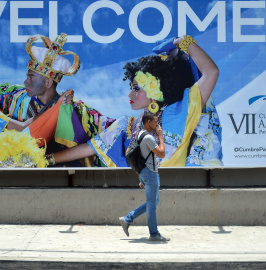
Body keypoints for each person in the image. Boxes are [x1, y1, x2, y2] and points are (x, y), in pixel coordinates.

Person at [50, 35, 222, 167]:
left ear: (155, 89)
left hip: (178, 194)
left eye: (136, 88)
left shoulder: (182, 109)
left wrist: (183, 41)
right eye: (131, 88)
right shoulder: (128, 126)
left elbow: (211, 72)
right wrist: (46, 160)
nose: (129, 95)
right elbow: (90, 148)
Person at [0, 33, 114, 166]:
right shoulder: (13, 98)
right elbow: (23, 128)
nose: (25, 82)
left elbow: (105, 131)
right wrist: (54, 108)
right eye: (27, 76)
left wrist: (66, 111)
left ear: (48, 83)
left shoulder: (73, 107)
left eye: (31, 77)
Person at [119, 112, 169, 241]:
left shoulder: (140, 134)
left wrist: (142, 177)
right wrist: (161, 137)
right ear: (148, 122)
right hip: (150, 173)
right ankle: (154, 234)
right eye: (155, 122)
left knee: (153, 202)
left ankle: (128, 218)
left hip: (144, 172)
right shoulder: (149, 138)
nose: (157, 125)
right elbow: (162, 154)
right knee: (152, 203)